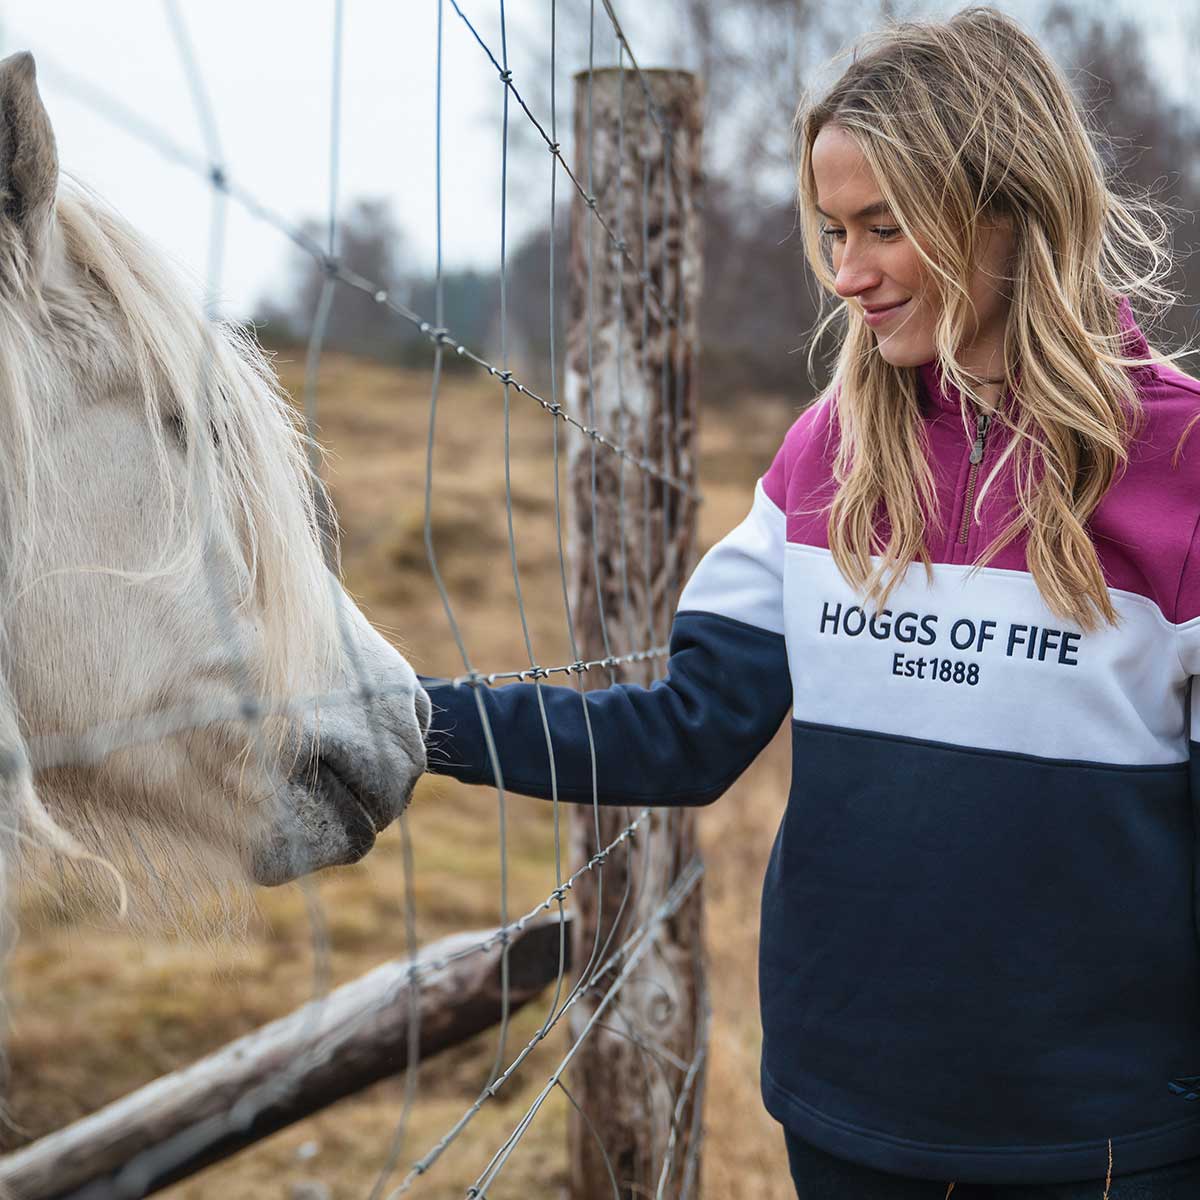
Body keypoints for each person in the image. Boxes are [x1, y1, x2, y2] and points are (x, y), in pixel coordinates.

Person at [420, 6, 1200, 1197]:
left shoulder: (1181, 467)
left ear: (1012, 211)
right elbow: (684, 733)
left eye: (886, 227)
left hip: (1105, 1136)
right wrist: (411, 718)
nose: (847, 274)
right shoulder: (822, 460)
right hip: (846, 1114)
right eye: (834, 230)